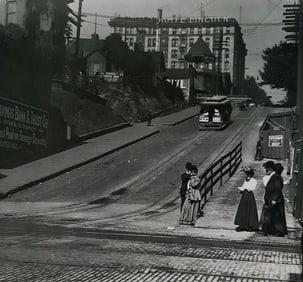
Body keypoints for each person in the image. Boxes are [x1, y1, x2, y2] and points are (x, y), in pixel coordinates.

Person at [259, 161, 288, 236]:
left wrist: (274, 199)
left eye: (267, 169)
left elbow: (277, 189)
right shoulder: (274, 177)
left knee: (275, 216)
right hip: (272, 199)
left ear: (270, 169)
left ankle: (279, 231)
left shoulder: (276, 177)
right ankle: (271, 230)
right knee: (273, 216)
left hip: (275, 200)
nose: (266, 170)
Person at [234, 166, 259, 232]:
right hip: (244, 195)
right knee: (243, 209)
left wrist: (245, 188)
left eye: (248, 174)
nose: (247, 175)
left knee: (250, 209)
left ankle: (250, 225)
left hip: (249, 195)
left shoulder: (254, 181)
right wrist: (242, 189)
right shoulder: (245, 180)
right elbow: (243, 186)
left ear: (251, 174)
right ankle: (242, 224)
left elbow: (250, 189)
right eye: (247, 174)